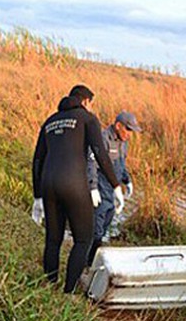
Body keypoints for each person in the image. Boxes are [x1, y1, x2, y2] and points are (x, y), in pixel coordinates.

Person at [31, 85, 125, 293]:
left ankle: (50, 284)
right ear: (85, 101)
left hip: (48, 183)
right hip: (73, 182)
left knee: (53, 239)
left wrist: (37, 196)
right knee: (84, 238)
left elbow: (38, 160)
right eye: (90, 103)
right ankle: (68, 292)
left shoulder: (50, 121)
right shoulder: (88, 119)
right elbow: (100, 153)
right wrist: (116, 185)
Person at [86, 111, 142, 266]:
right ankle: (86, 264)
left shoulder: (124, 142)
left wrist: (127, 180)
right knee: (95, 231)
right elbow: (91, 164)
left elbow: (121, 165)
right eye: (128, 129)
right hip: (100, 191)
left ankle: (92, 261)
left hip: (112, 193)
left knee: (104, 229)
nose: (130, 134)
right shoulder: (103, 139)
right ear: (118, 126)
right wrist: (92, 187)